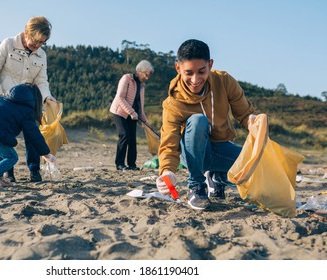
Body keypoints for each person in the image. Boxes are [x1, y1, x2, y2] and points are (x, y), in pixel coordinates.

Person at [155, 39, 257, 210]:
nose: (195, 80)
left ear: (210, 65)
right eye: (189, 73)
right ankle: (197, 186)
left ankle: (217, 177)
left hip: (221, 148)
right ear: (178, 68)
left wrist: (254, 121)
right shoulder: (173, 103)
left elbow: (245, 113)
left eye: (201, 71)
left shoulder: (224, 81)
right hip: (192, 155)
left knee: (255, 168)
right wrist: (167, 171)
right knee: (197, 120)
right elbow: (169, 143)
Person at [0, 16, 56, 182]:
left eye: (42, 43)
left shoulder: (41, 55)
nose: (37, 46)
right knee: (5, 137)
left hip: (28, 102)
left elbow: (41, 80)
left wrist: (47, 97)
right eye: (35, 41)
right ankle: (8, 173)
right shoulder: (8, 44)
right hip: (5, 102)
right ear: (26, 33)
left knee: (33, 134)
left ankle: (34, 171)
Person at [109, 60, 154, 171]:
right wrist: (132, 113)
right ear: (139, 71)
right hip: (119, 112)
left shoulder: (142, 86)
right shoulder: (127, 79)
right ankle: (119, 164)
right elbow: (120, 98)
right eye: (146, 75)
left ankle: (132, 164)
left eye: (149, 76)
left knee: (133, 139)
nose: (147, 78)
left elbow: (140, 105)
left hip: (132, 114)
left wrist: (144, 120)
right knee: (124, 135)